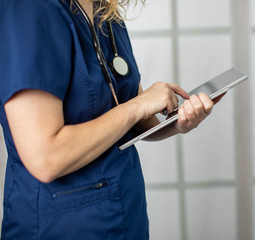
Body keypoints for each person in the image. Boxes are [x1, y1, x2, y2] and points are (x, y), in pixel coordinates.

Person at [0, 0, 220, 239]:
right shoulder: (28, 10)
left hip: (126, 214)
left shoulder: (106, 12)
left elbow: (133, 119)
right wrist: (137, 106)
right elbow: (45, 158)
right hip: (62, 225)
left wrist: (177, 123)